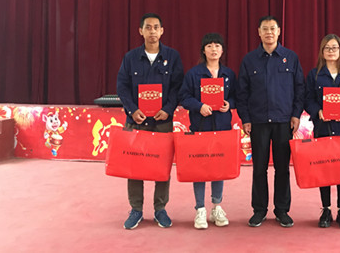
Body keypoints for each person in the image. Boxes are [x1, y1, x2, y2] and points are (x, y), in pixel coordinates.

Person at [116, 13, 184, 230]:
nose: (152, 31)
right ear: (141, 31)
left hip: (162, 121)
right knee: (134, 166)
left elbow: (178, 87)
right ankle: (136, 209)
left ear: (162, 31)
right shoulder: (130, 58)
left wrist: (168, 109)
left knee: (162, 167)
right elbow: (122, 86)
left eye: (156, 27)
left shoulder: (172, 56)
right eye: (148, 27)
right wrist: (132, 110)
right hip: (137, 120)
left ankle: (160, 209)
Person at [236, 15, 305, 228]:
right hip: (258, 122)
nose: (269, 32)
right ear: (259, 32)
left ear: (279, 31)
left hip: (284, 121)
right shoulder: (249, 60)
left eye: (272, 28)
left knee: (283, 168)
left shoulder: (290, 58)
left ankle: (282, 210)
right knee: (259, 168)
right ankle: (259, 210)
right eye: (265, 29)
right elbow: (242, 92)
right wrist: (245, 118)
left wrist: (296, 114)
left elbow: (300, 89)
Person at [179, 33, 236, 230]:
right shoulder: (194, 74)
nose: (213, 49)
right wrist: (199, 106)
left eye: (217, 46)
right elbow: (184, 97)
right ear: (203, 50)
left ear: (222, 50)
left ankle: (217, 206)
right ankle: (200, 209)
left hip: (222, 127)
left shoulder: (228, 74)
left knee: (219, 168)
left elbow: (237, 96)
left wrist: (229, 104)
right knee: (199, 168)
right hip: (200, 127)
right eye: (209, 46)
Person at [304, 34, 340, 229]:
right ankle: (326, 208)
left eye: (334, 47)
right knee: (325, 169)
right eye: (327, 48)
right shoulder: (314, 75)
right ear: (322, 51)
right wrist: (318, 111)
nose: (331, 51)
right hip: (323, 128)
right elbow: (308, 99)